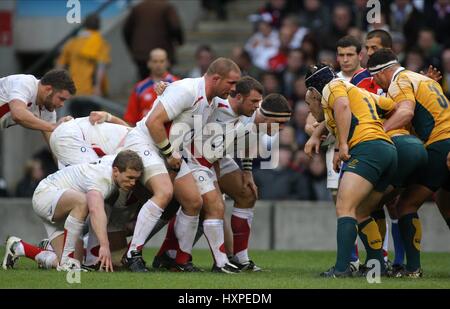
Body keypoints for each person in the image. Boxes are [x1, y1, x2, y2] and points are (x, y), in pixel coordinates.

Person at [151, 78, 292, 273]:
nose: (282, 128)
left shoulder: (261, 124)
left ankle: (240, 258)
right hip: (196, 155)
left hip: (216, 155)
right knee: (211, 205)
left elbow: (248, 146)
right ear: (267, 115)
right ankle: (178, 255)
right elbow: (203, 92)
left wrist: (247, 172)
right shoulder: (232, 108)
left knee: (247, 194)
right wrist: (168, 86)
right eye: (279, 122)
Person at [121, 58, 241, 272]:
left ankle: (180, 261)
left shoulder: (211, 100)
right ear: (216, 78)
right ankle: (132, 254)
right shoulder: (186, 90)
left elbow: (239, 108)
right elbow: (153, 123)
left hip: (170, 152)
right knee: (164, 192)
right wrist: (168, 154)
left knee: (194, 201)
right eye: (231, 83)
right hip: (146, 143)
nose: (233, 89)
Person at [304, 64, 397, 277]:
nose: (310, 109)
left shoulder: (331, 86)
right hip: (388, 150)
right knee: (362, 211)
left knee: (344, 207)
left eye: (309, 103)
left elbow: (343, 107)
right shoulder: (358, 91)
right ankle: (378, 265)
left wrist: (342, 144)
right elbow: (391, 105)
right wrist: (317, 134)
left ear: (315, 93)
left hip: (367, 149)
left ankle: (342, 268)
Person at [367, 49, 450, 278]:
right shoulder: (420, 78)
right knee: (446, 205)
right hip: (447, 142)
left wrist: (378, 133)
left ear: (383, 72)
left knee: (405, 205)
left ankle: (412, 269)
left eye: (375, 77)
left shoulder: (399, 82)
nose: (376, 82)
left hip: (440, 145)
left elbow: (405, 113)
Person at [2, 150, 143, 272]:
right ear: (116, 171)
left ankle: (19, 247)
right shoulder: (102, 179)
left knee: (72, 263)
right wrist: (104, 245)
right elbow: (95, 210)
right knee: (83, 201)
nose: (133, 183)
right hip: (46, 194)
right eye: (130, 178)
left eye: (136, 179)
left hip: (62, 206)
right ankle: (68, 259)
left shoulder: (115, 164)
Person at [0, 69, 75, 143]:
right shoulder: (25, 83)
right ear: (48, 89)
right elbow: (18, 114)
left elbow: (54, 146)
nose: (62, 104)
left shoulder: (47, 110)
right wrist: (54, 126)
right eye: (61, 99)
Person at [123, 0, 184, 80]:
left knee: (144, 82)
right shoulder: (166, 7)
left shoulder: (138, 8)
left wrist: (133, 48)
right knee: (164, 84)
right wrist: (179, 41)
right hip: (162, 51)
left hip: (141, 54)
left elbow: (126, 30)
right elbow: (175, 27)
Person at [49, 111, 130, 169]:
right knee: (94, 176)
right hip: (73, 133)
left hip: (74, 130)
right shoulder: (136, 144)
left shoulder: (135, 136)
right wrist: (108, 116)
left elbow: (129, 131)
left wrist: (109, 117)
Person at [56, 14, 110, 97]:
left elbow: (60, 64)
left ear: (84, 25)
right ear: (99, 25)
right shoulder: (101, 43)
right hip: (90, 91)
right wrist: (98, 87)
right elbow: (101, 67)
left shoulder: (73, 42)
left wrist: (59, 85)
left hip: (71, 89)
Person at [124, 48, 178, 126]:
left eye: (162, 61)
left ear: (167, 63)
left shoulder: (177, 84)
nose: (158, 64)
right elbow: (131, 118)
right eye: (155, 61)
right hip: (144, 133)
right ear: (149, 63)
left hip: (169, 134)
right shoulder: (139, 88)